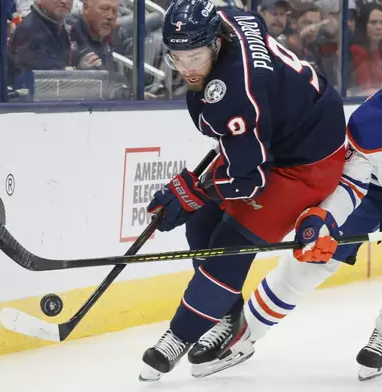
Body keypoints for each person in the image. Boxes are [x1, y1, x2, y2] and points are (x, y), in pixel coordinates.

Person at [202, 48, 382, 381]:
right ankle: (247, 330)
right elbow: (351, 185)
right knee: (311, 258)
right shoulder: (369, 121)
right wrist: (324, 219)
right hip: (372, 191)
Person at [138, 0, 347, 382]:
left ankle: (179, 335)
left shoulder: (234, 94)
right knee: (201, 222)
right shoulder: (229, 17)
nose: (186, 69)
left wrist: (194, 192)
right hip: (277, 133)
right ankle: (225, 314)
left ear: (216, 44)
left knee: (231, 242)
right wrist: (197, 198)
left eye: (195, 57)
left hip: (306, 162)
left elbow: (248, 181)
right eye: (176, 58)